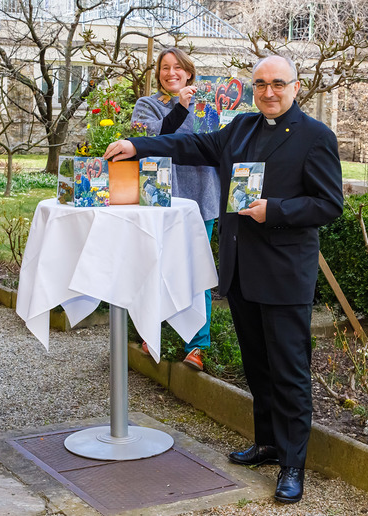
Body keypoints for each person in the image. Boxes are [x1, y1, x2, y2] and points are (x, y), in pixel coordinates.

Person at [104, 55, 343, 504]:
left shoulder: (315, 137)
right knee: (257, 365)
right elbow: (192, 147)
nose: (268, 92)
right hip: (242, 270)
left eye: (277, 84)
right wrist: (138, 146)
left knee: (289, 372)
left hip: (285, 273)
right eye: (260, 85)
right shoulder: (241, 128)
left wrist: (276, 210)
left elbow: (329, 204)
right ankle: (268, 443)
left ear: (295, 86)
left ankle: (293, 463)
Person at [132, 47, 220, 371]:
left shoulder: (208, 106)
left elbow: (217, 146)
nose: (171, 73)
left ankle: (196, 346)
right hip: (160, 197)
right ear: (158, 74)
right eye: (164, 68)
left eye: (177, 68)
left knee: (197, 269)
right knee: (157, 265)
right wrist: (180, 108)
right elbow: (151, 140)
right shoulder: (147, 105)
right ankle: (150, 330)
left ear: (189, 73)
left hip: (202, 196)